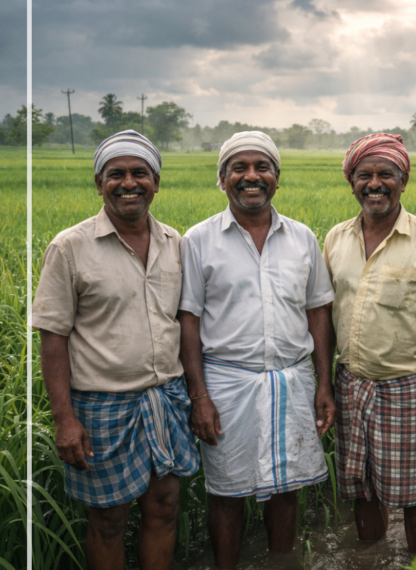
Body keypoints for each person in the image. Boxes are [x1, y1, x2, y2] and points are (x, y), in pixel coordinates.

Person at [32, 130, 199, 570]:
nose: (129, 183)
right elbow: (53, 336)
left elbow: (185, 323)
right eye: (116, 174)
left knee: (164, 507)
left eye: (140, 173)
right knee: (108, 521)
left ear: (156, 182)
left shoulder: (175, 243)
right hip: (102, 406)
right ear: (99, 183)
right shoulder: (70, 247)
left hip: (166, 398)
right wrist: (64, 419)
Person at [178, 131, 336, 570]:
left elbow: (317, 312)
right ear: (222, 179)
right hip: (226, 383)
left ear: (276, 178)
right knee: (227, 491)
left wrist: (324, 384)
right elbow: (188, 321)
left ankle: (281, 563)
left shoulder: (302, 238)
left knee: (287, 486)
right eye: (239, 168)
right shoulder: (198, 240)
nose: (252, 176)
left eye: (262, 167)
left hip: (292, 379)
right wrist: (199, 396)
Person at [322, 133, 416, 553]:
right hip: (352, 385)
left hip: (410, 388)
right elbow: (326, 317)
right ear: (351, 182)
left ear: (403, 181)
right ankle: (372, 558)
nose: (375, 184)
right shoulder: (336, 239)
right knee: (362, 489)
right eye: (364, 175)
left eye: (385, 174)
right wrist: (325, 384)